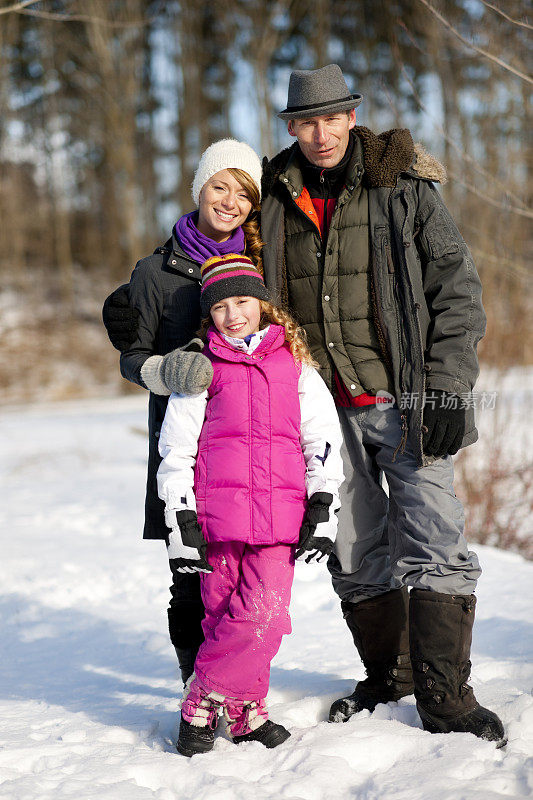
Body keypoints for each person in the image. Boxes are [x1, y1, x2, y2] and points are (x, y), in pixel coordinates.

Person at [103, 65, 505, 745]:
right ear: (291, 127)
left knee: (435, 536)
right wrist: (147, 292)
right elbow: (213, 239)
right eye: (305, 122)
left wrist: (447, 384)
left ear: (351, 117)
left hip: (406, 398)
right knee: (352, 548)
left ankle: (446, 698)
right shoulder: (273, 196)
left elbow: (455, 292)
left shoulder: (401, 190)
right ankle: (389, 677)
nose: (320, 134)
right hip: (317, 412)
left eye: (332, 119)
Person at [156, 253, 344, 756]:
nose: (233, 315)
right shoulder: (201, 369)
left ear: (263, 303)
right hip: (218, 519)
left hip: (281, 516)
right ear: (208, 315)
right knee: (222, 615)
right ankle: (244, 712)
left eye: (242, 301)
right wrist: (180, 516)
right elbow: (176, 448)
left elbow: (321, 437)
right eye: (220, 307)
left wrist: (324, 500)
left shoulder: (295, 366)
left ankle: (200, 700)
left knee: (265, 613)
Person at [103, 139, 264, 686]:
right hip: (183, 440)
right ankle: (199, 684)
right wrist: (164, 373)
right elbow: (133, 357)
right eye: (222, 186)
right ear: (200, 188)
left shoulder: (260, 263)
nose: (231, 201)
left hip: (249, 440)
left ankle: (239, 681)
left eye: (244, 193)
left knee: (246, 568)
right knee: (190, 569)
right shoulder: (154, 272)